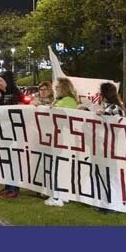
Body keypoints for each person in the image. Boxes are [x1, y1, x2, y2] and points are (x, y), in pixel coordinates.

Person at [43, 77, 83, 207]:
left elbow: (63, 118)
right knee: (58, 167)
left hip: (61, 138)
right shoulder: (63, 101)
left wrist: (50, 109)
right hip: (58, 138)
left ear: (64, 88)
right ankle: (61, 194)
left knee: (56, 167)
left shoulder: (68, 101)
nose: (55, 89)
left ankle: (56, 197)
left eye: (58, 87)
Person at [0, 70, 21, 199]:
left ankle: (14, 189)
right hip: (3, 133)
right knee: (6, 161)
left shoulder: (16, 95)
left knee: (13, 161)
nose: (0, 84)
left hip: (13, 134)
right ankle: (8, 186)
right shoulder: (3, 95)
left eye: (1, 81)